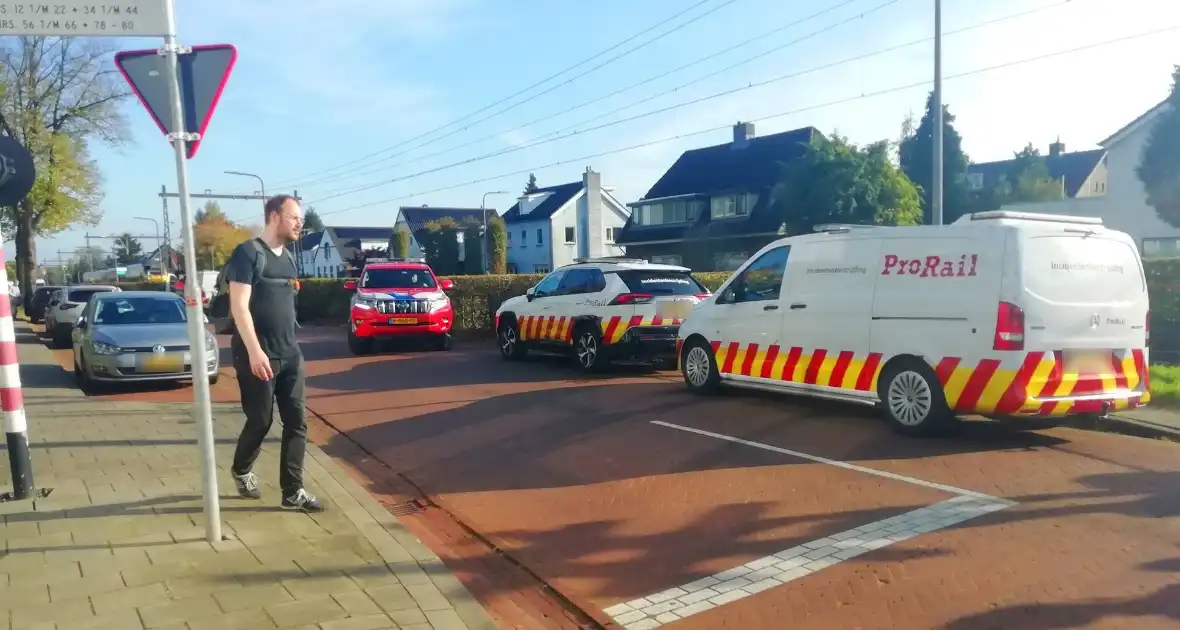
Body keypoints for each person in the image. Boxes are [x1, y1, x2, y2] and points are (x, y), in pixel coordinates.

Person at [226, 194, 323, 512]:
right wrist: (255, 352)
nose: (299, 224)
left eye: (300, 219)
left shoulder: (290, 258)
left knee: (297, 422)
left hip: (290, 353)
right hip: (257, 355)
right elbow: (239, 306)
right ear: (274, 216)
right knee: (261, 421)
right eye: (294, 217)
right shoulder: (248, 254)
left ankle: (292, 491)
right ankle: (241, 469)